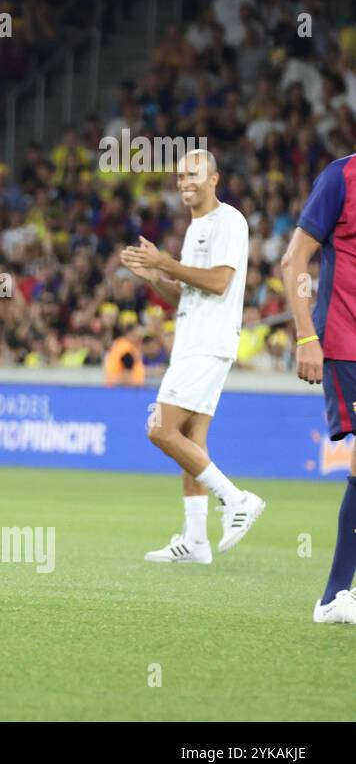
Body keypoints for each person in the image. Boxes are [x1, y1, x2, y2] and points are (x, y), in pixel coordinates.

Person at [120, 149, 263, 565]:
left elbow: (219, 283)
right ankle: (196, 540)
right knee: (191, 438)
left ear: (214, 179)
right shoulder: (196, 227)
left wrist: (164, 261)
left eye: (194, 174)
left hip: (207, 343)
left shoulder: (229, 221)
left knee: (160, 430)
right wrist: (155, 278)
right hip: (194, 340)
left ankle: (236, 498)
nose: (185, 182)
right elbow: (189, 293)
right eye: (180, 175)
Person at [280, 152, 356, 624]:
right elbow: (294, 261)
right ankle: (332, 596)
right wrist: (307, 335)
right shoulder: (341, 177)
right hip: (346, 343)